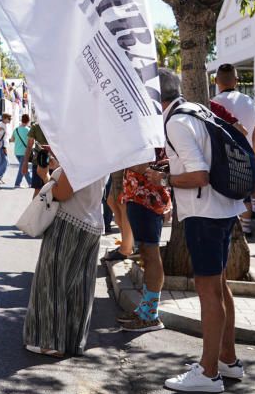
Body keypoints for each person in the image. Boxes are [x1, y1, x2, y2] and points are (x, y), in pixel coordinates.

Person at [152, 69, 245, 393]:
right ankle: (228, 360)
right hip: (223, 209)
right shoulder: (196, 110)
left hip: (204, 214)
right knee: (218, 285)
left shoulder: (175, 121)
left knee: (207, 291)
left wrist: (163, 179)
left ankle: (208, 374)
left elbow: (199, 176)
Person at [23, 157, 107, 357]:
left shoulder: (80, 152)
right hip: (92, 223)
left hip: (69, 223)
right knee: (80, 286)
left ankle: (48, 341)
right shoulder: (105, 153)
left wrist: (47, 178)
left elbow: (63, 193)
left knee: (51, 282)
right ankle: (73, 340)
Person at [116, 150, 172, 333]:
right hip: (140, 197)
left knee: (150, 254)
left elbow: (144, 165)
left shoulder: (151, 131)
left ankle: (150, 316)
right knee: (147, 255)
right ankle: (145, 310)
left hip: (148, 199)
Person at [211, 63, 255, 234]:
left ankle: (229, 231)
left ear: (216, 80)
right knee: (245, 197)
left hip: (219, 160)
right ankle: (245, 231)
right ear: (237, 81)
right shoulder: (251, 103)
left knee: (221, 198)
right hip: (245, 157)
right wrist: (249, 151)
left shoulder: (211, 104)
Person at [20, 120, 51, 198]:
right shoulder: (36, 126)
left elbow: (29, 146)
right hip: (40, 163)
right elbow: (29, 146)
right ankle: (35, 210)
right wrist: (25, 163)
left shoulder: (56, 125)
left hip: (50, 163)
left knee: (51, 191)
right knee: (39, 190)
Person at [11, 114, 32, 188]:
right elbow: (31, 142)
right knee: (22, 168)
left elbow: (12, 139)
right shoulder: (29, 130)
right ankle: (17, 184)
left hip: (17, 152)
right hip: (25, 152)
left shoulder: (16, 129)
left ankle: (31, 183)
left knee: (23, 167)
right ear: (28, 121)